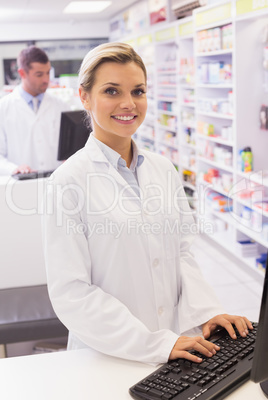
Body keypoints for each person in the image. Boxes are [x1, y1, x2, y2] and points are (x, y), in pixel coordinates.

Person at [43, 42, 253, 365]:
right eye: (112, 91)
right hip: (106, 356)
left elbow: (182, 252)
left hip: (175, 349)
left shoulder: (163, 169)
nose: (128, 104)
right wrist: (152, 343)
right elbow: (71, 292)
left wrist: (207, 312)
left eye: (138, 91)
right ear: (84, 97)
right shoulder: (67, 182)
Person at [0, 46, 69, 175]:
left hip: (55, 182)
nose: (46, 80)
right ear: (22, 73)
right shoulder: (3, 107)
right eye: (39, 74)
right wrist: (14, 169)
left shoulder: (61, 106)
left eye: (48, 72)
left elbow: (70, 150)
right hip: (20, 185)